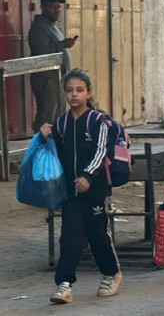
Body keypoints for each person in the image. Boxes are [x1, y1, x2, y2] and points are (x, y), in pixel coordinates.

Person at [39, 69, 122, 304]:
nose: (74, 95)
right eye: (69, 90)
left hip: (95, 189)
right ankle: (64, 284)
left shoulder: (98, 121)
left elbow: (100, 151)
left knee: (98, 234)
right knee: (70, 236)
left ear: (88, 93)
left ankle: (111, 273)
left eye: (79, 90)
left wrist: (88, 176)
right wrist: (44, 137)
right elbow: (55, 153)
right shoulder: (62, 123)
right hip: (71, 191)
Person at [28, 0, 77, 131]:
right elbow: (41, 51)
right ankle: (39, 147)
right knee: (47, 114)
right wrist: (62, 45)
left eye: (58, 7)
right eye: (52, 7)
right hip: (46, 78)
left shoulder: (51, 26)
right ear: (43, 7)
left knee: (58, 115)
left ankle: (54, 147)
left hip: (57, 78)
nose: (56, 10)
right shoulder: (38, 27)